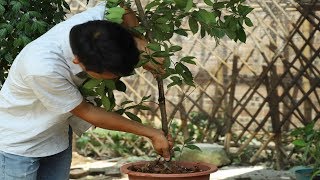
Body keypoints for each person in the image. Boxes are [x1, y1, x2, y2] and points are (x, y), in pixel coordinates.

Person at [0, 2, 172, 180]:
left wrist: (142, 44)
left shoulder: (96, 25)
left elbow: (120, 5)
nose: (115, 80)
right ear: (78, 61)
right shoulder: (43, 68)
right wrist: (151, 133)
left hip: (57, 133)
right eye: (111, 76)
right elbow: (87, 111)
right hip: (20, 144)